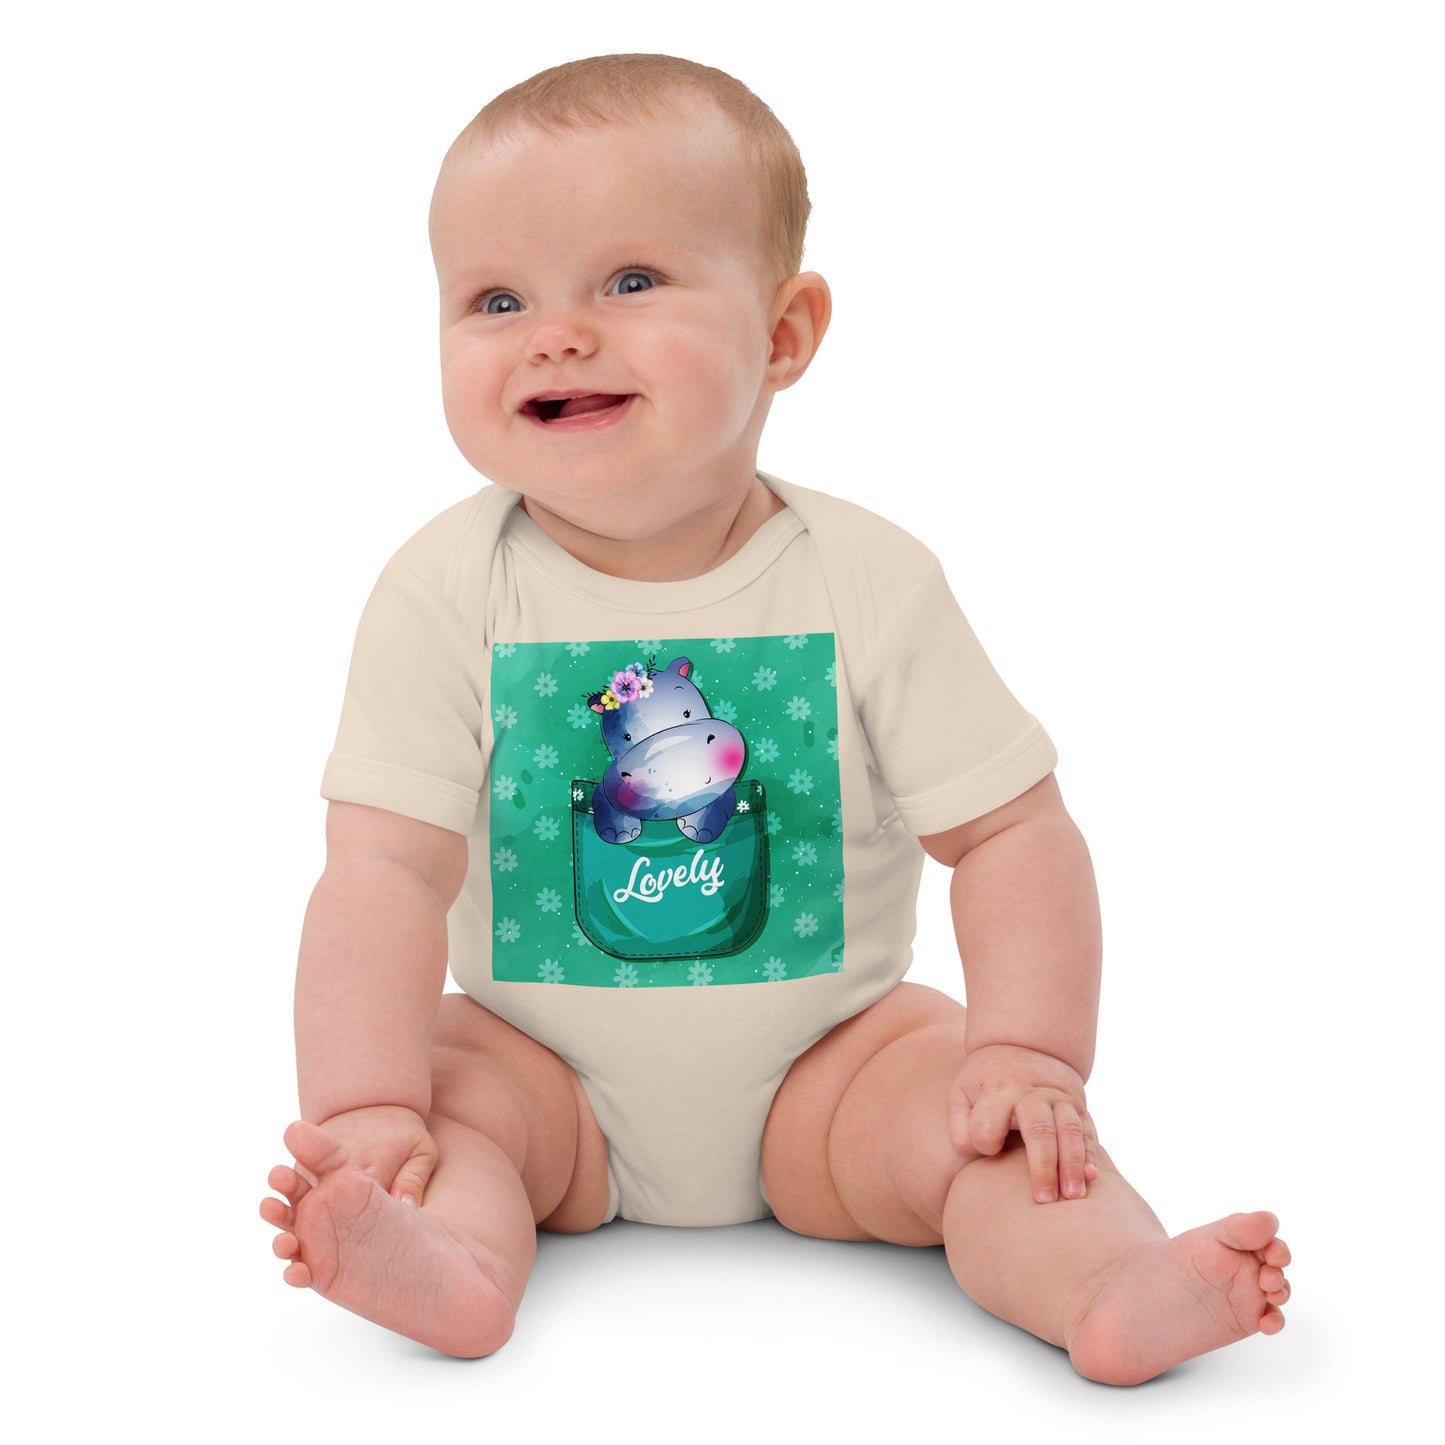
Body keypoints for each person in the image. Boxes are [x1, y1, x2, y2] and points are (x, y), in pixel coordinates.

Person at [260, 53, 1289, 1385]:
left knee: (983, 1129)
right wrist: (367, 1103)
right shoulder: (443, 589)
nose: (553, 334)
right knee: (447, 1105)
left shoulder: (867, 578)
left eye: (630, 281)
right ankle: (442, 1259)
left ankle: (1104, 1284)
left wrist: (1027, 1053)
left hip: (832, 1070)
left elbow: (1009, 833)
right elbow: (383, 872)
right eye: (495, 299)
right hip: (542, 1069)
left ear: (784, 334)